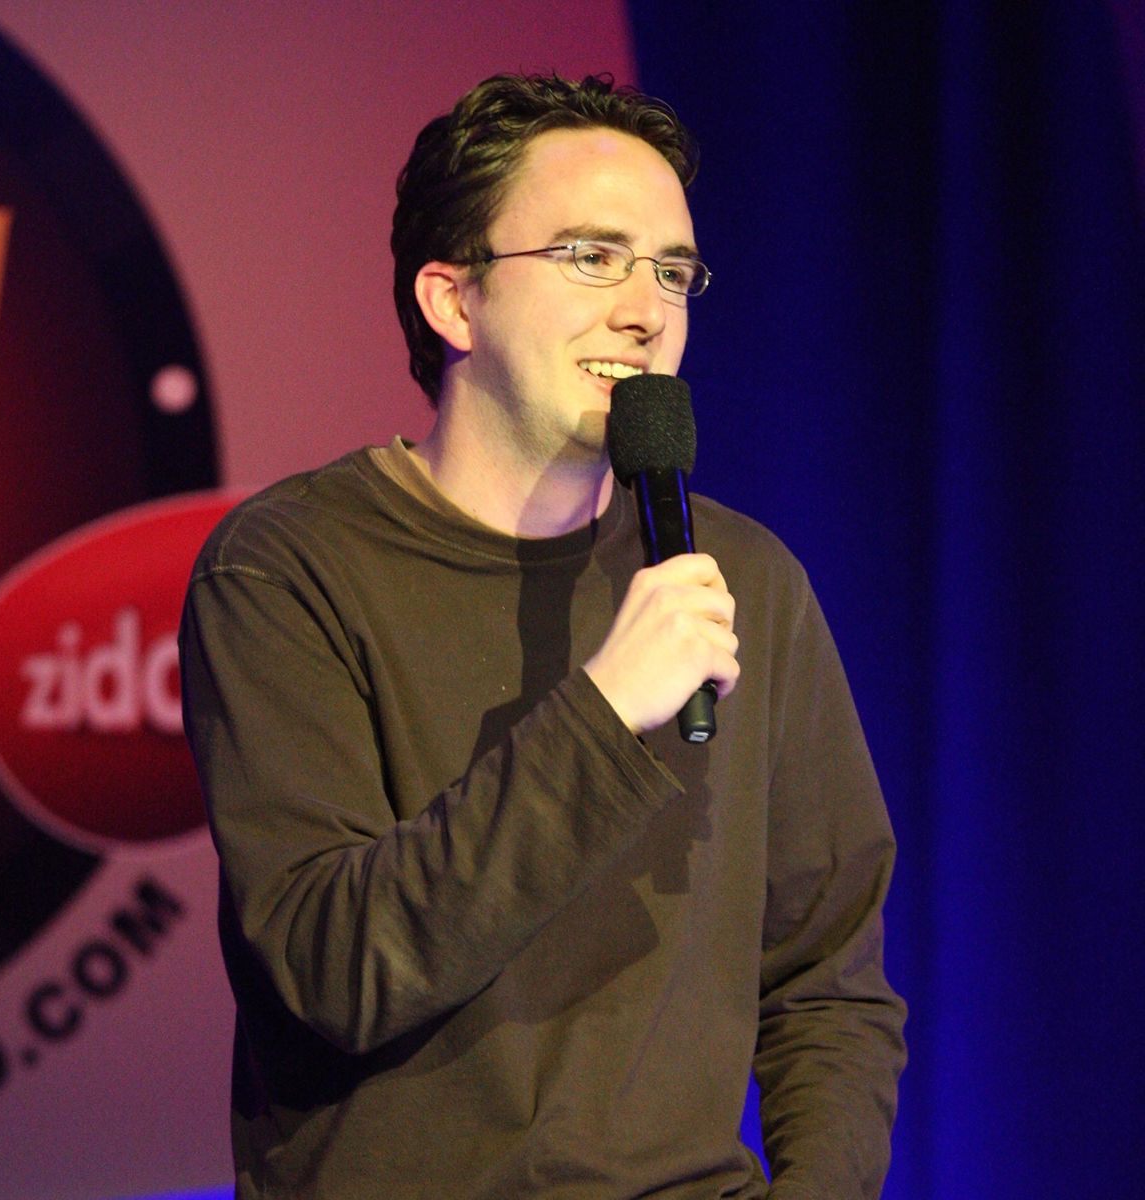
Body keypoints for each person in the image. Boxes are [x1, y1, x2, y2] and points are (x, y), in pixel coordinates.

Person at [180, 73, 906, 1200]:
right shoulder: (287, 568)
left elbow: (826, 979)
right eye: (591, 256)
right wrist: (607, 713)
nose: (646, 310)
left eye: (672, 271)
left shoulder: (741, 580)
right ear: (452, 301)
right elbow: (336, 968)